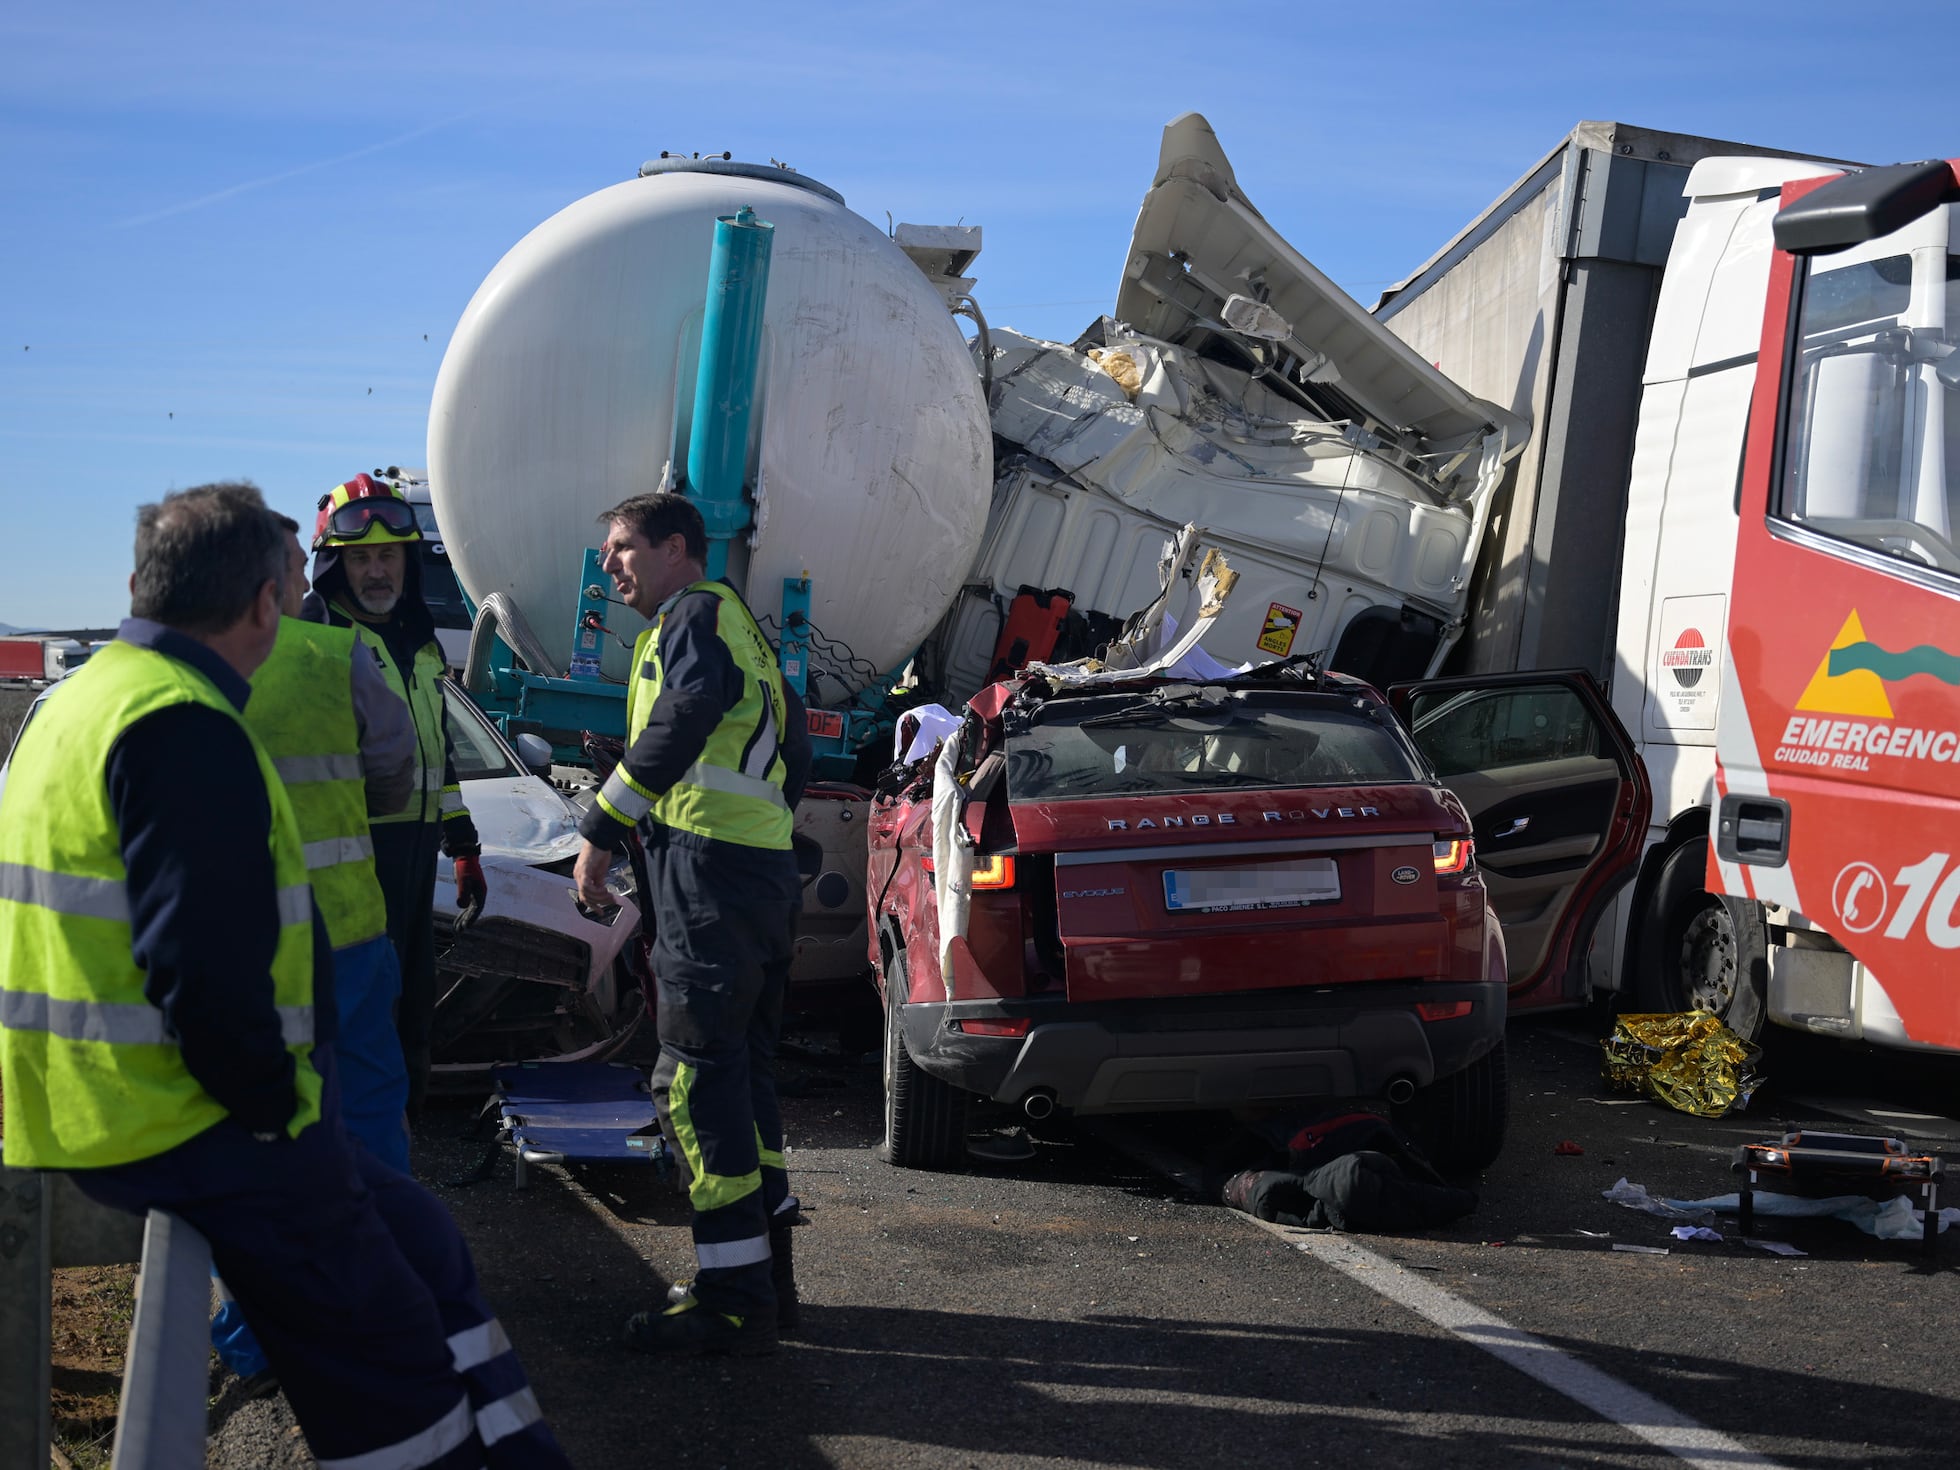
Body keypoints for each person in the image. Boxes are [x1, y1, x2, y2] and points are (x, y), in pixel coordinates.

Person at [0, 483, 568, 1467]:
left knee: (424, 1239)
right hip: (177, 1125)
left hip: (91, 1108)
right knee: (391, 1352)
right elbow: (205, 982)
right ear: (270, 602)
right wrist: (282, 1118)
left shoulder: (74, 700)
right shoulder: (181, 725)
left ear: (145, 585)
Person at [573, 492, 811, 1357]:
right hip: (753, 875)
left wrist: (604, 824)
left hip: (710, 878)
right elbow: (799, 743)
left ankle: (734, 1299)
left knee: (693, 1080)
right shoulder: (737, 621)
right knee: (741, 1082)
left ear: (677, 548)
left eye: (622, 547)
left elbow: (692, 707)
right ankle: (766, 1284)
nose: (609, 565)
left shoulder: (692, 619)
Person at [209, 514, 420, 1388]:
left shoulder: (176, 672)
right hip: (348, 935)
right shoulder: (339, 657)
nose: (312, 579)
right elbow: (394, 765)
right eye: (301, 566)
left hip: (242, 953)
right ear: (268, 584)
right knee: (368, 1122)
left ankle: (258, 1341)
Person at [304, 472, 486, 1115]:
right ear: (335, 564)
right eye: (360, 558)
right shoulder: (316, 640)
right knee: (357, 1013)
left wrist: (463, 844)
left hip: (414, 854)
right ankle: (351, 1159)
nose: (376, 571)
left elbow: (441, 750)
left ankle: (397, 1150)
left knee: (412, 1005)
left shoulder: (420, 640)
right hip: (349, 856)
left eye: (388, 556)